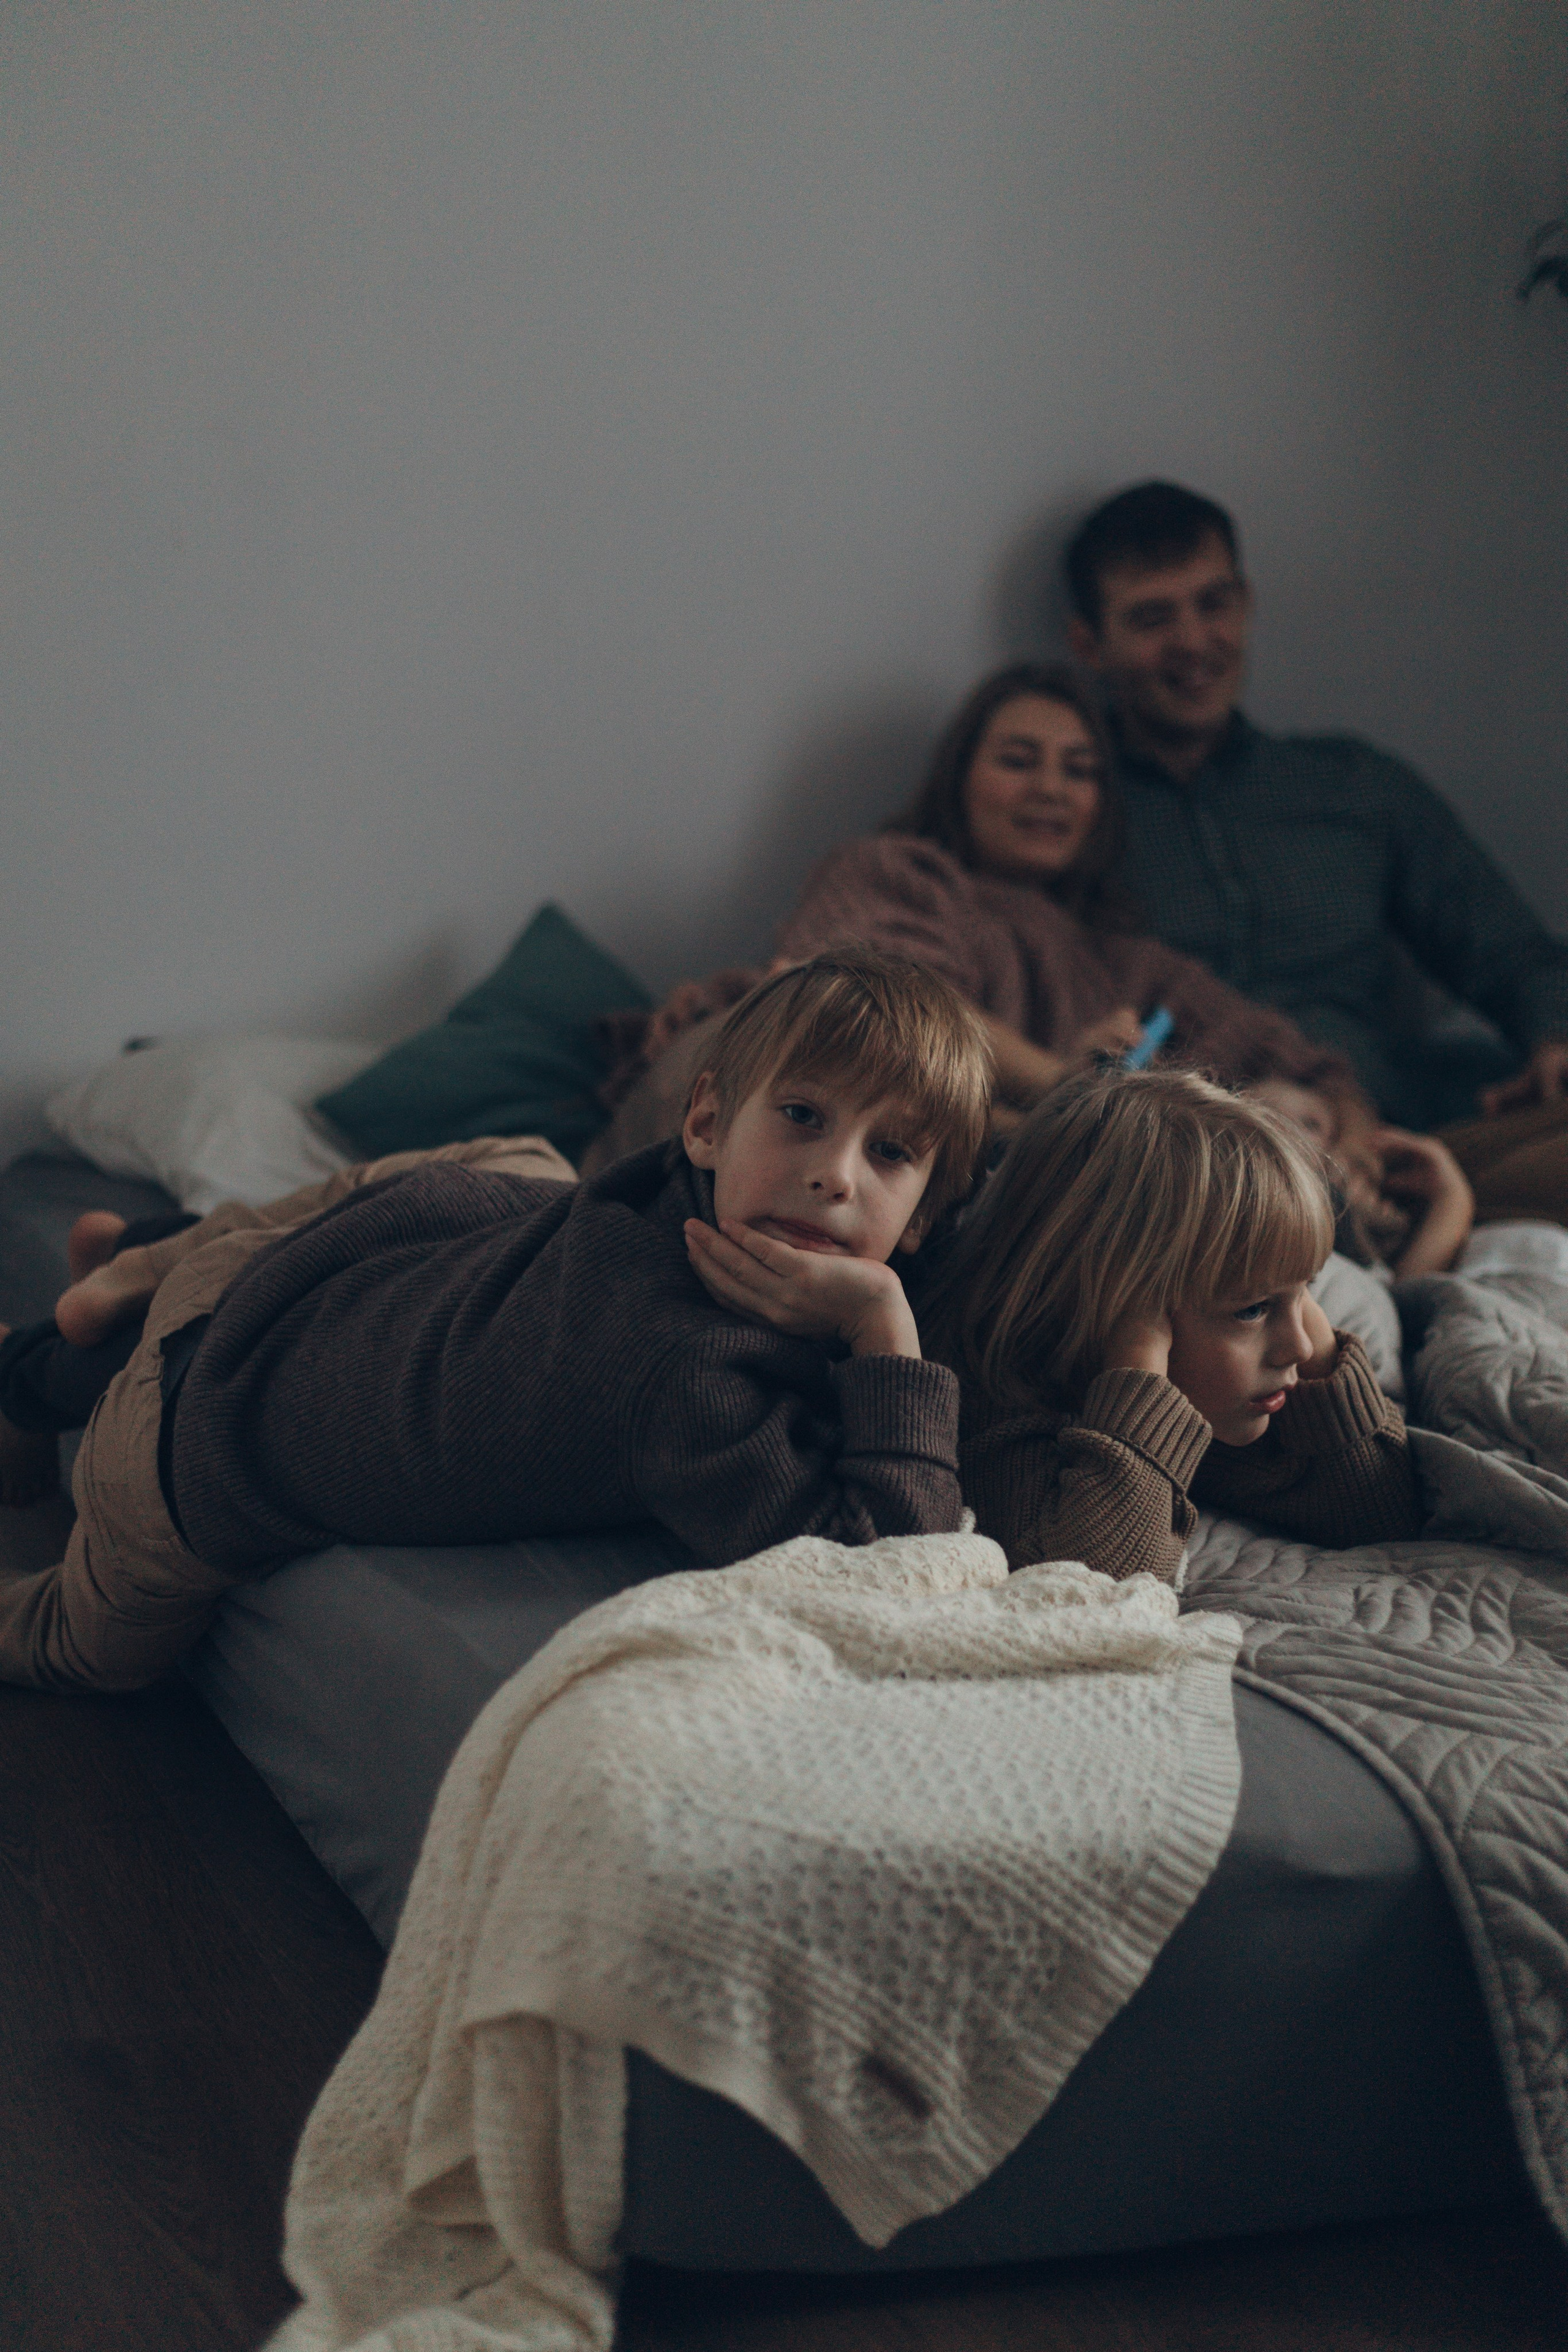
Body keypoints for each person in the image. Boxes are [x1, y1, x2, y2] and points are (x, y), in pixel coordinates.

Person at [0, 950, 992, 1692]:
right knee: (87, 1651)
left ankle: (118, 1292)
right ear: (705, 1123)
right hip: (184, 1445)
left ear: (928, 1216)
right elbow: (885, 1582)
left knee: (518, 1169)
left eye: (892, 1153)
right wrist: (883, 1326)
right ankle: (87, 1348)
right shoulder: (691, 1382)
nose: (835, 1175)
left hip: (280, 1273)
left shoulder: (660, 1187)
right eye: (805, 1118)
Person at [590, 661, 1370, 1167]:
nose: (1051, 791)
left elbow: (1308, 1066)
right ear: (959, 776)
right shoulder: (893, 868)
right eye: (1017, 761)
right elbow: (864, 1001)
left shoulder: (1130, 965)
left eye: (1080, 771)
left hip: (990, 1160)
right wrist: (1073, 1090)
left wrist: (1354, 1134)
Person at [1062, 480, 1568, 1215]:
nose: (1193, 642)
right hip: (1206, 1174)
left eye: (1213, 603)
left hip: (1406, 1141)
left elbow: (1513, 953)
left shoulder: (1353, 785)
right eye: (1151, 617)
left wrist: (1553, 1036)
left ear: (1247, 604)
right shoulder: (1061, 806)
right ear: (1089, 644)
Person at [921, 1067, 1419, 1582]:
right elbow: (1096, 1591)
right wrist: (1140, 1382)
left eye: (1306, 1292)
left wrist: (1320, 1360)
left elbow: (1377, 1513)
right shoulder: (999, 1412)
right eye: (1252, 1310)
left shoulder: (1220, 1390)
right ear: (1113, 1312)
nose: (1296, 1346)